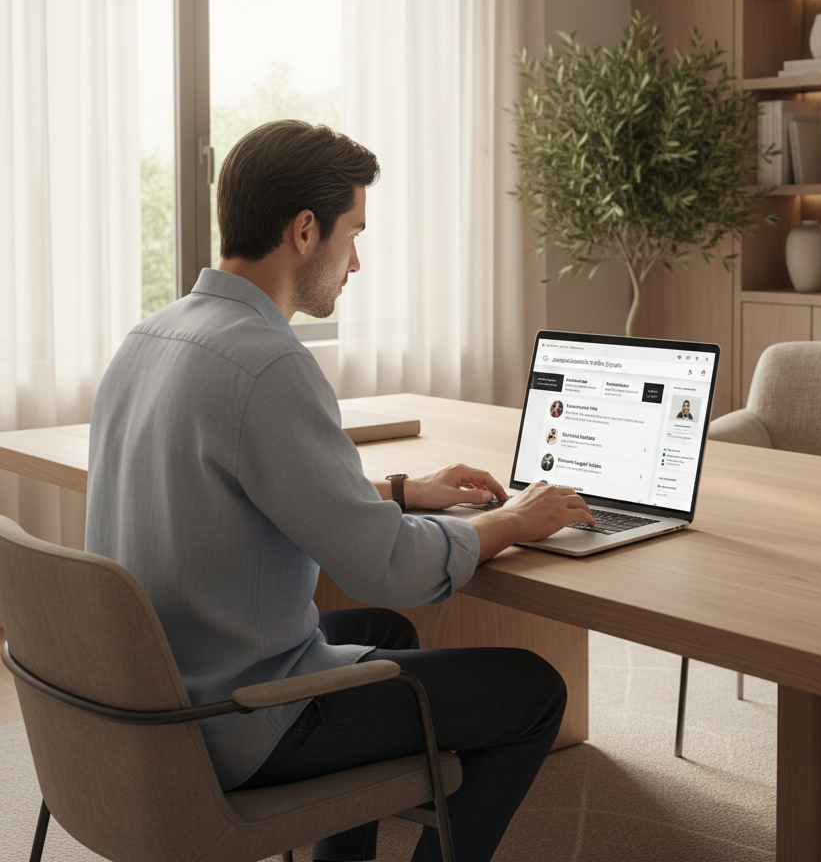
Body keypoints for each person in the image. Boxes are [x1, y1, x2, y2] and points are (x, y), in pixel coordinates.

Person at [84, 120, 593, 862]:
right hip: (234, 720)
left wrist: (398, 490)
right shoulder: (269, 364)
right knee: (532, 690)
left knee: (384, 635)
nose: (356, 262)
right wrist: (510, 522)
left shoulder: (151, 336)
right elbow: (385, 568)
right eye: (352, 233)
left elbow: (239, 487)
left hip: (153, 695)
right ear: (303, 231)